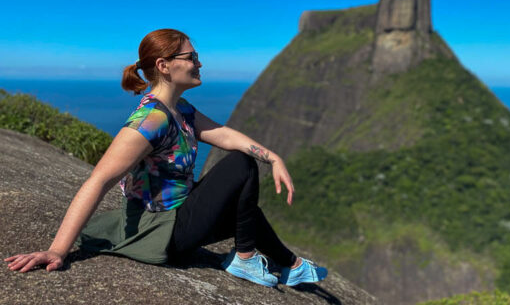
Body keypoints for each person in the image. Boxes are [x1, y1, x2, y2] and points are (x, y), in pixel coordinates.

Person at [4, 28, 327, 288]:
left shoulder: (180, 110)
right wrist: (58, 250)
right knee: (241, 165)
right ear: (164, 65)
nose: (199, 63)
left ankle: (292, 266)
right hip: (161, 230)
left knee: (243, 200)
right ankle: (244, 258)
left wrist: (274, 158)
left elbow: (224, 135)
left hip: (176, 218)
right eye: (192, 57)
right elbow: (99, 180)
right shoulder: (150, 121)